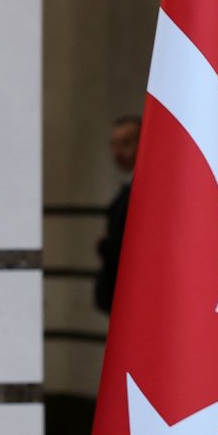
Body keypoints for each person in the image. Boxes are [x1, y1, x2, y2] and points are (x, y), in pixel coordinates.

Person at [94, 114, 140, 314]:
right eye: (114, 144)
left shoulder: (144, 190)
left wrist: (104, 245)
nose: (119, 151)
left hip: (132, 296)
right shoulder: (129, 187)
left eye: (127, 143)